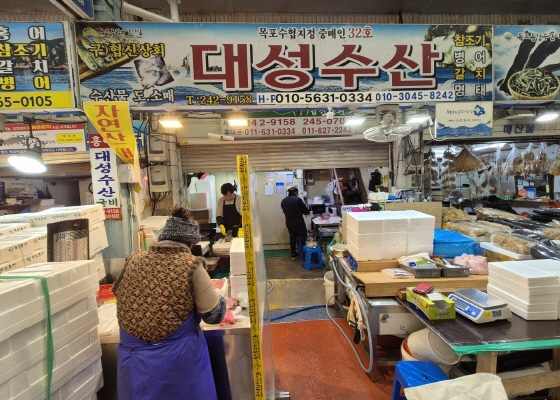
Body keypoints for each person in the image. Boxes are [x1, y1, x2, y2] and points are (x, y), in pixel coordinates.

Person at [113, 206, 237, 400]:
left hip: (133, 363)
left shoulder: (133, 261)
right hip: (174, 365)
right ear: (190, 242)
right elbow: (213, 316)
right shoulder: (190, 264)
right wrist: (223, 302)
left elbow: (121, 294)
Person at [281, 187, 310, 259]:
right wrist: (307, 211)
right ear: (295, 192)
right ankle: (304, 254)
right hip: (298, 222)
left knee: (292, 237)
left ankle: (293, 253)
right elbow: (305, 211)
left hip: (289, 222)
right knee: (303, 237)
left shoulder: (283, 201)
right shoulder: (297, 199)